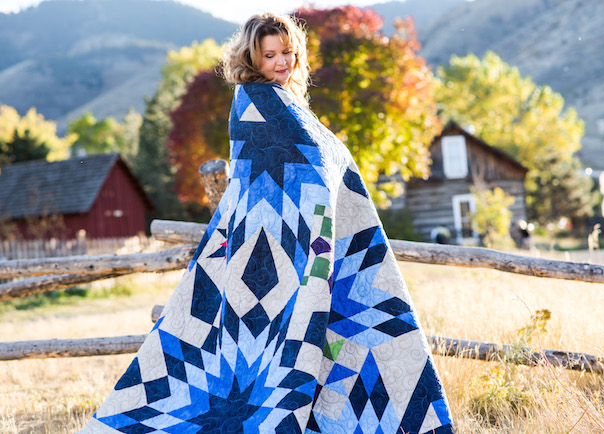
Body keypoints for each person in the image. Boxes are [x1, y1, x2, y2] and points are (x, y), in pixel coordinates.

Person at [82, 13, 454, 433]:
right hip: (274, 257)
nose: (281, 62)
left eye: (287, 52)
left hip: (308, 244)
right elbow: (285, 169)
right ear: (252, 58)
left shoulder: (292, 103)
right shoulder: (254, 102)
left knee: (341, 333)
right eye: (269, 55)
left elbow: (326, 162)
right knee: (270, 350)